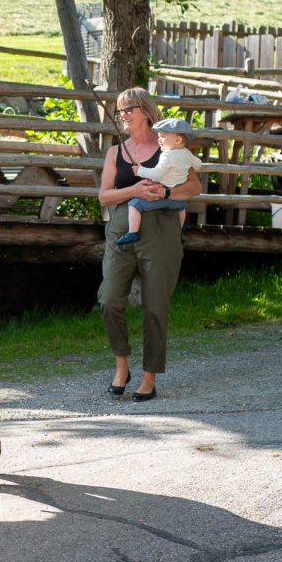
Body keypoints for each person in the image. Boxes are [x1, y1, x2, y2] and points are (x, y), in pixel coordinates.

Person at [98, 87, 200, 402]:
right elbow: (104, 196)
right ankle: (121, 365)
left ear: (145, 111)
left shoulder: (170, 149)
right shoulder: (116, 152)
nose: (124, 116)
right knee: (109, 299)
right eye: (120, 111)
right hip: (121, 229)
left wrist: (167, 194)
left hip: (161, 231)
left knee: (155, 306)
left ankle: (149, 377)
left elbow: (194, 186)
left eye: (129, 109)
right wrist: (135, 191)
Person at [115, 118, 199, 246]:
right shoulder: (187, 153)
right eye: (159, 136)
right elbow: (198, 164)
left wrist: (140, 170)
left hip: (162, 194)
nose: (159, 140)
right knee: (182, 208)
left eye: (163, 137)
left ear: (177, 140)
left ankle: (133, 232)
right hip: (178, 200)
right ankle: (179, 232)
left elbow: (156, 173)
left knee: (134, 204)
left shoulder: (167, 155)